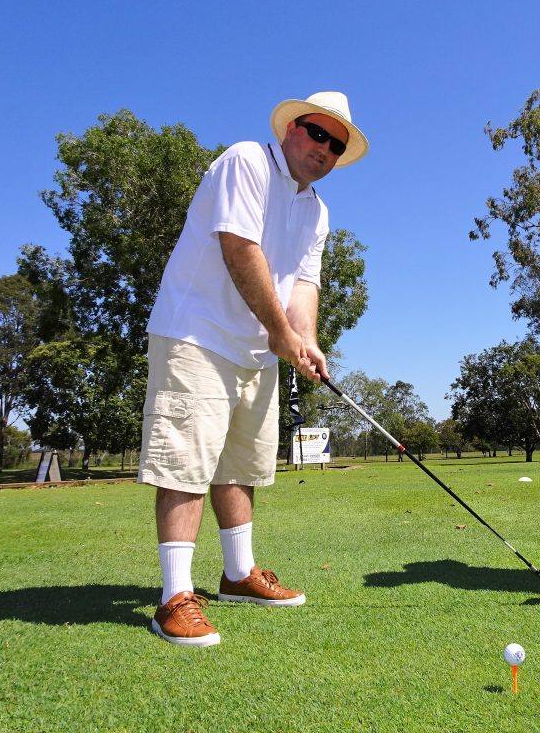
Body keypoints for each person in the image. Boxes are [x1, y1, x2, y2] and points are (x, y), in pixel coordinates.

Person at [137, 92, 369, 646]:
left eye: (336, 145)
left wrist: (304, 338)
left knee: (241, 465)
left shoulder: (316, 210)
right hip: (197, 332)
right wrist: (282, 334)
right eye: (318, 134)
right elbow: (240, 249)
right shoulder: (245, 160)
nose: (325, 149)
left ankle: (238, 576)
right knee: (186, 464)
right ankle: (174, 596)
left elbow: (304, 283)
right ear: (291, 127)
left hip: (257, 351)